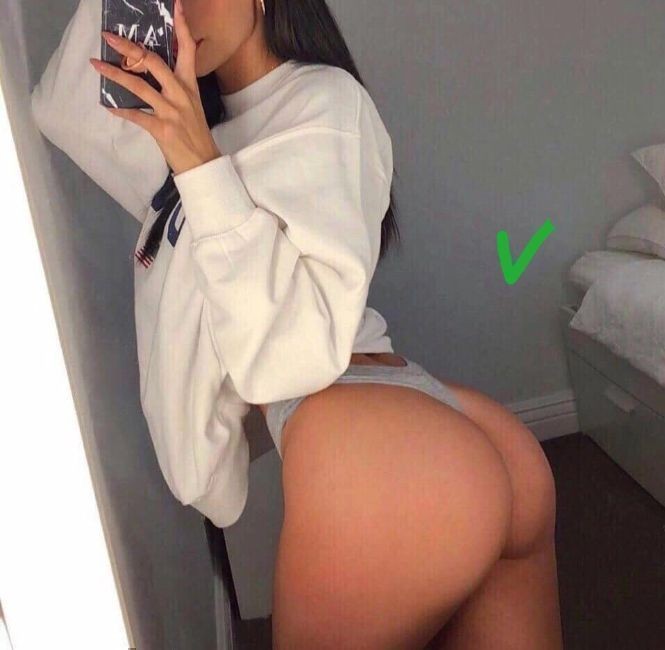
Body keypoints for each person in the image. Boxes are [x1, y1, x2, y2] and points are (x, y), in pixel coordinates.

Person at [30, 0, 564, 647]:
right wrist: (188, 142)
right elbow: (61, 109)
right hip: (405, 427)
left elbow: (293, 357)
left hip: (359, 442)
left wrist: (200, 165)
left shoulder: (321, 101)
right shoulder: (185, 131)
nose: (181, 10)